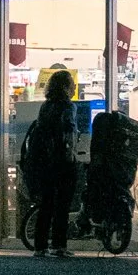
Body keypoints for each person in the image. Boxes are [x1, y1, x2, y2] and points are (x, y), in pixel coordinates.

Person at [24, 69, 80, 259]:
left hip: (44, 162)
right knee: (62, 204)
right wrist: (71, 156)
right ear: (65, 87)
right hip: (62, 161)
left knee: (46, 204)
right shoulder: (68, 107)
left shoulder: (46, 106)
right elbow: (69, 133)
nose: (74, 87)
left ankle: (40, 247)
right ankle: (58, 245)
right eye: (71, 84)